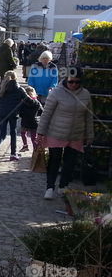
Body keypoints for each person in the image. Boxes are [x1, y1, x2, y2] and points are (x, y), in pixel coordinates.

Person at [37, 72, 93, 200]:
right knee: (54, 159)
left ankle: (63, 185)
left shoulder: (85, 95)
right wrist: (40, 133)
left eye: (77, 82)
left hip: (75, 134)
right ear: (66, 80)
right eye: (71, 82)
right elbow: (46, 114)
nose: (74, 84)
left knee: (70, 162)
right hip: (56, 132)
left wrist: (89, 135)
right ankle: (50, 187)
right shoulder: (56, 93)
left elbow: (89, 117)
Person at [0, 71, 31, 162]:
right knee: (13, 133)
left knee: (2, 134)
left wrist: (2, 104)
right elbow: (28, 101)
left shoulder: (1, 88)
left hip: (2, 113)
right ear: (15, 78)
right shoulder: (19, 89)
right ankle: (13, 154)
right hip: (13, 113)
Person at [18, 85, 43, 152]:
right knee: (33, 137)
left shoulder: (23, 103)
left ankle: (25, 146)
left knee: (23, 133)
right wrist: (37, 117)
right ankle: (36, 150)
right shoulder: (37, 102)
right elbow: (42, 111)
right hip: (34, 122)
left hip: (25, 121)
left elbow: (20, 112)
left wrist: (22, 115)